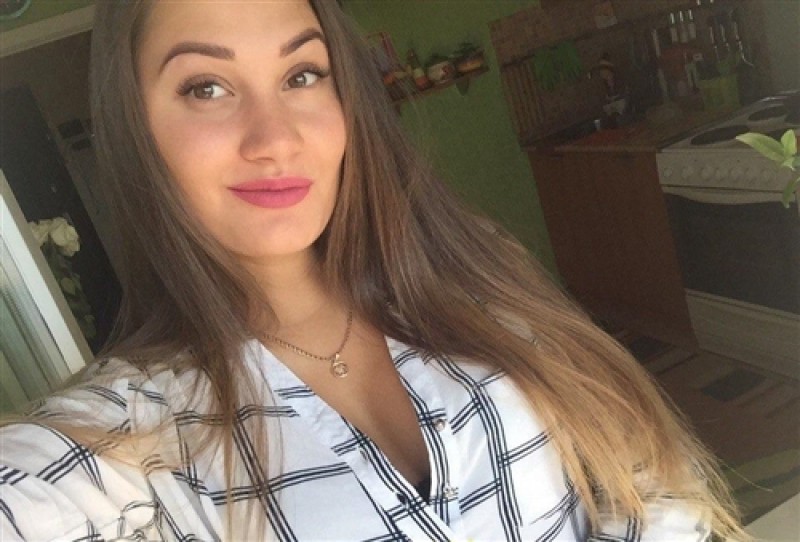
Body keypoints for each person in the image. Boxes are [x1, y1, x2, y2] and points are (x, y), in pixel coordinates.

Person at [0, 1, 747, 540]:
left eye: (302, 74)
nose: (275, 138)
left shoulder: (472, 275)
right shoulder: (134, 432)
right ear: (136, 129)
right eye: (206, 87)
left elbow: (643, 468)